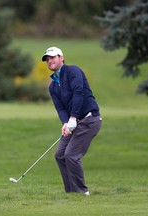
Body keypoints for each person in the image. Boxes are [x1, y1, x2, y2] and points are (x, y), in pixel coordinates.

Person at [41, 46, 102, 195]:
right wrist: (65, 123)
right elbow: (60, 108)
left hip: (89, 119)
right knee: (60, 154)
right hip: (74, 122)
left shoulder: (73, 71)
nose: (50, 61)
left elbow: (78, 93)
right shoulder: (53, 86)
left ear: (61, 58)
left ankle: (81, 191)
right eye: (47, 59)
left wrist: (73, 118)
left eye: (53, 57)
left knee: (71, 155)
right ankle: (71, 192)